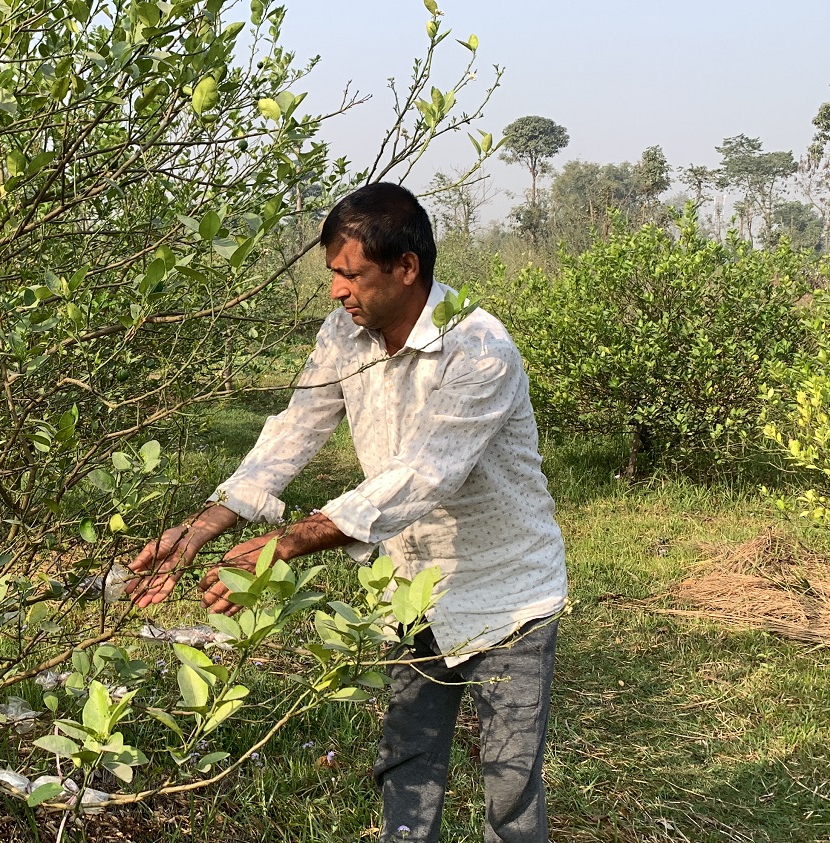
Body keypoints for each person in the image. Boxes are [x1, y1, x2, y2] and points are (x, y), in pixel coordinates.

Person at [124, 182, 568, 843]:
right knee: (407, 768)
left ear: (405, 268)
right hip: (413, 590)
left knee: (509, 786)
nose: (336, 291)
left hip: (509, 597)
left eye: (349, 274)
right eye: (333, 273)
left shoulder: (479, 350)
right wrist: (202, 525)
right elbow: (292, 430)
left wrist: (288, 542)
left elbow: (420, 478)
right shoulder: (345, 333)